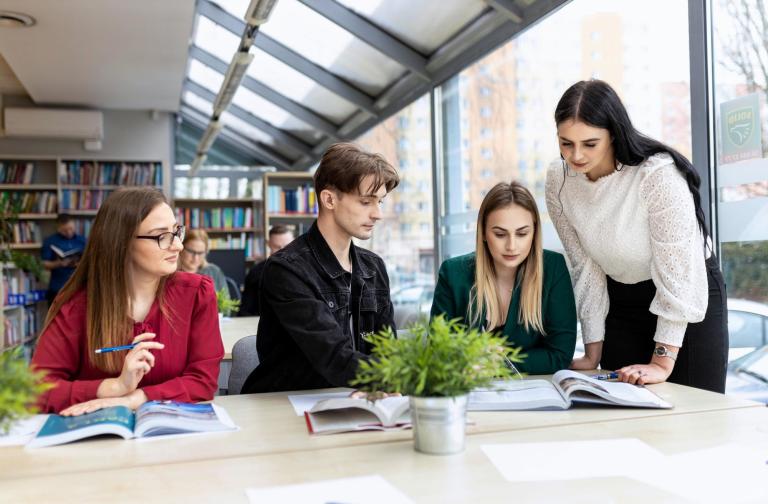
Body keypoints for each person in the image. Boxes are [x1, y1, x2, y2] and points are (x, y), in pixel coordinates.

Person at [545, 79, 728, 392]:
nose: (576, 156)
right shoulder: (558, 181)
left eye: (590, 143)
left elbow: (678, 272)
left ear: (613, 134)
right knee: (621, 414)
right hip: (622, 300)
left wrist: (662, 361)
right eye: (566, 143)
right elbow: (585, 268)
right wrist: (592, 351)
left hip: (686, 297)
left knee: (692, 418)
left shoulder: (656, 174)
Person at [31, 187, 223, 415]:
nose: (178, 246)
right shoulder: (75, 305)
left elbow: (204, 381)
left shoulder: (196, 293)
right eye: (162, 236)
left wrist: (136, 398)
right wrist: (114, 386)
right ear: (122, 242)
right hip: (98, 441)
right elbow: (37, 390)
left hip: (170, 439)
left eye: (176, 231)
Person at [241, 142, 399, 393]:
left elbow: (388, 349)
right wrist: (407, 377)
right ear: (329, 199)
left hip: (355, 400)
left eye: (380, 202)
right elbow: (333, 357)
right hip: (289, 404)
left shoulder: (373, 267)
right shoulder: (286, 269)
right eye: (366, 202)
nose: (377, 214)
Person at [431, 181, 576, 374]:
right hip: (469, 393)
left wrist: (497, 364)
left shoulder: (553, 268)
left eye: (522, 233)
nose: (512, 246)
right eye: (500, 234)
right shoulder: (453, 273)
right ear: (483, 232)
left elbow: (560, 355)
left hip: (532, 393)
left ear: (534, 232)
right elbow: (438, 352)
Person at [239, 225, 295, 316]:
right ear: (268, 244)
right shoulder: (256, 273)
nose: (283, 251)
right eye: (277, 247)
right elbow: (246, 310)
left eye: (287, 246)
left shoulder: (307, 271)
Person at [41, 214, 87, 304]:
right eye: (65, 231)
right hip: (58, 287)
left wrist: (80, 264)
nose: (69, 232)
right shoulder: (50, 241)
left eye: (71, 229)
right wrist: (59, 263)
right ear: (58, 228)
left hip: (79, 287)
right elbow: (44, 264)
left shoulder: (83, 240)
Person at [179, 229, 230, 299]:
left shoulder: (214, 271)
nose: (195, 258)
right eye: (191, 251)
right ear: (181, 248)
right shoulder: (171, 273)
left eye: (200, 253)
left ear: (206, 252)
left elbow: (226, 307)